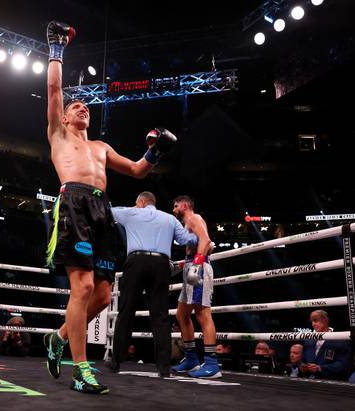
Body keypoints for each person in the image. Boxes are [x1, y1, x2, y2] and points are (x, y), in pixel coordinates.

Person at [42, 21, 177, 395]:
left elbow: (136, 170)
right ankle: (80, 369)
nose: (81, 107)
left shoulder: (101, 147)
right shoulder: (58, 135)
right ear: (63, 117)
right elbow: (54, 89)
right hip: (74, 203)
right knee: (83, 286)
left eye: (85, 105)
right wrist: (56, 49)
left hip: (102, 211)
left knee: (102, 296)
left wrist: (155, 150)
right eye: (75, 106)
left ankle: (58, 338)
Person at [107, 191, 198, 377]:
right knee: (160, 316)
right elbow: (187, 239)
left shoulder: (132, 212)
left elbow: (107, 211)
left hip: (136, 262)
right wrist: (200, 237)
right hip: (161, 264)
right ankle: (163, 368)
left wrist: (130, 209)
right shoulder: (169, 219)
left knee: (126, 311)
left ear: (141, 202)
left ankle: (116, 361)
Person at [171, 195, 221, 378]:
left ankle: (212, 364)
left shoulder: (194, 218)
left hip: (198, 269)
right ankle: (191, 359)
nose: (174, 209)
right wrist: (182, 265)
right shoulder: (187, 224)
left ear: (185, 205)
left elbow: (206, 241)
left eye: (176, 206)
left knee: (202, 314)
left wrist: (196, 266)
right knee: (181, 314)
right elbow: (201, 246)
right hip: (192, 265)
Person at [301, 310, 350, 380]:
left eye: (315, 320)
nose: (313, 324)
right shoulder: (308, 340)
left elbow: (342, 364)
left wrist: (320, 368)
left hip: (330, 380)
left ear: (325, 320)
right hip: (308, 380)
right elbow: (303, 360)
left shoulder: (339, 340)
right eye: (312, 321)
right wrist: (303, 367)